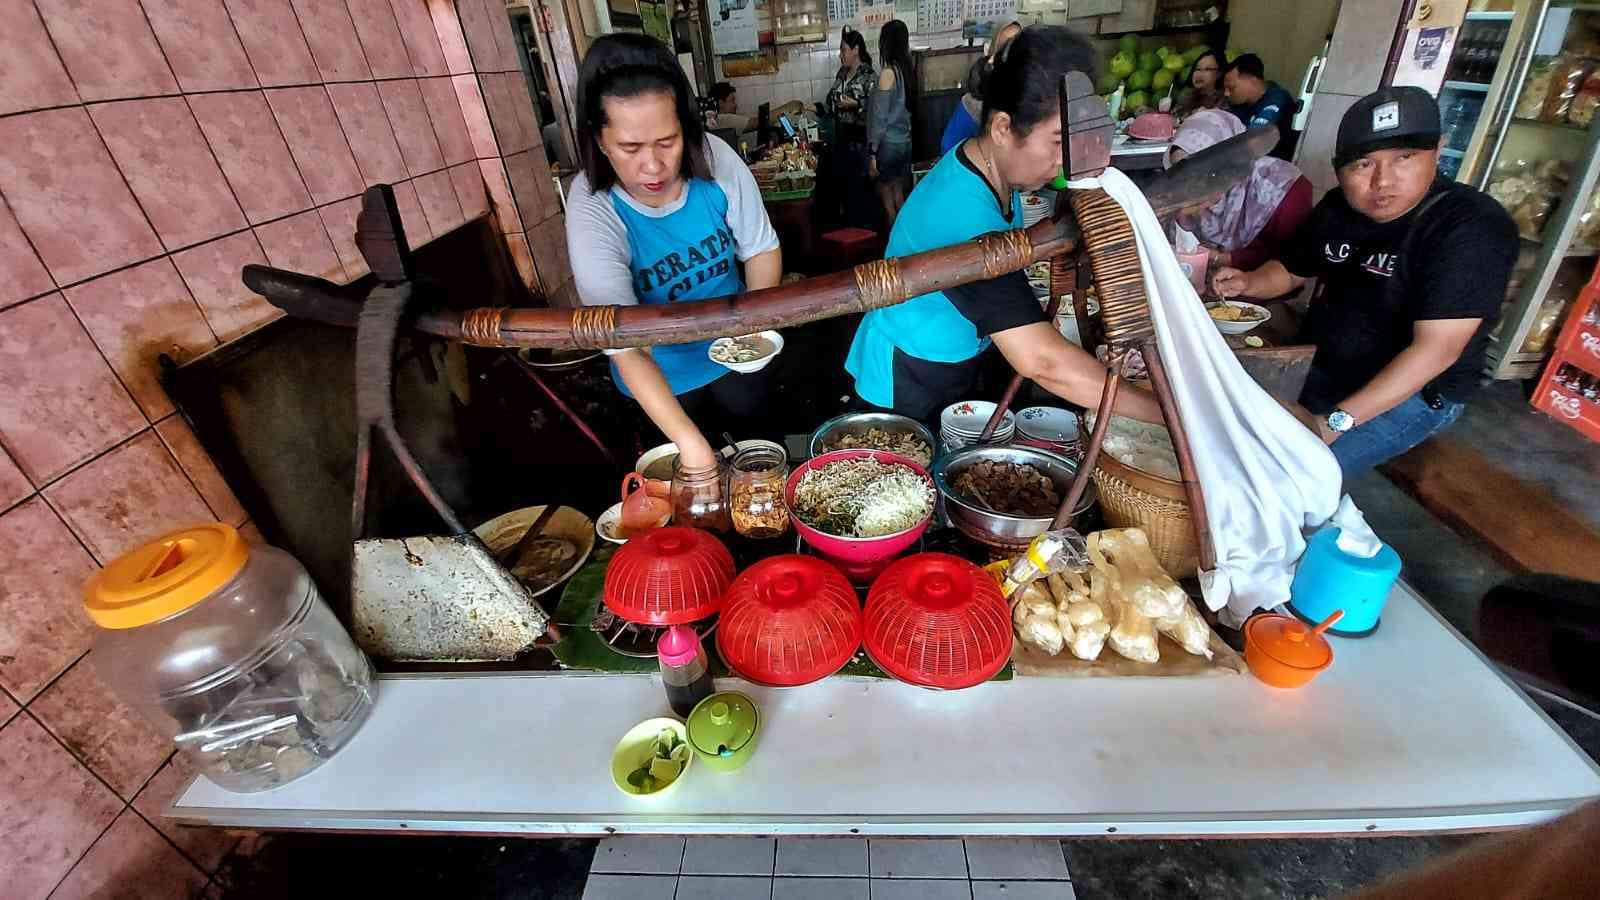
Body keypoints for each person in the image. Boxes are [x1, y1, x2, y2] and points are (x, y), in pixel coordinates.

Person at [845, 26, 1163, 425]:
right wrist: (1165, 413)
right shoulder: (960, 215)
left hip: (957, 352)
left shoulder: (991, 169)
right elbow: (1042, 360)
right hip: (910, 371)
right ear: (1001, 128)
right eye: (1054, 141)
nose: (1064, 161)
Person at [1211, 86, 1518, 479]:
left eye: (1404, 158)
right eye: (1363, 165)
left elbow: (1436, 352)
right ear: (1341, 170)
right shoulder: (1339, 207)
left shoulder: (1471, 227)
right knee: (1237, 439)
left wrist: (1335, 423)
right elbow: (1292, 269)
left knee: (1297, 478)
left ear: (1438, 153)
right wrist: (1248, 282)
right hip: (1328, 365)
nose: (1382, 182)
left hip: (1416, 393)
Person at [564, 34, 783, 472]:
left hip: (736, 361)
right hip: (659, 383)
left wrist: (751, 339)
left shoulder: (714, 158)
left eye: (668, 142)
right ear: (600, 140)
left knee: (765, 476)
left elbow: (760, 250)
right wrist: (691, 445)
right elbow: (624, 344)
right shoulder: (592, 206)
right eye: (630, 148)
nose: (652, 165)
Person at [1166, 109, 1312, 274]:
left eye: (1202, 174)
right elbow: (1179, 245)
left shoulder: (1283, 190)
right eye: (1181, 174)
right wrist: (1183, 218)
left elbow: (1293, 262)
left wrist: (1219, 259)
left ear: (1232, 160)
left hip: (1261, 289)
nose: (1191, 185)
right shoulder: (1181, 193)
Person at [822, 27, 877, 227]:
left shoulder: (868, 75)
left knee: (861, 191)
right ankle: (849, 229)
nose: (840, 55)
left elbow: (876, 108)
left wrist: (856, 105)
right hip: (841, 140)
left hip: (860, 142)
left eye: (843, 50)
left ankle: (865, 232)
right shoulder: (842, 73)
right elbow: (830, 97)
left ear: (856, 50)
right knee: (844, 188)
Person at [940, 21, 1023, 155]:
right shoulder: (975, 102)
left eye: (1019, 42)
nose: (1013, 50)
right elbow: (948, 147)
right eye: (1006, 45)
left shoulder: (1030, 89)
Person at [870, 20, 915, 226]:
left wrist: (872, 153)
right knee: (899, 194)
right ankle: (906, 243)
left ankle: (893, 250)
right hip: (905, 143)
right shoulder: (907, 71)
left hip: (888, 146)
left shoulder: (888, 74)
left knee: (887, 202)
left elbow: (879, 119)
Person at [1223, 53, 1295, 157]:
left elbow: (1253, 141)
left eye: (1231, 88)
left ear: (1251, 80)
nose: (1226, 94)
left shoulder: (1277, 99)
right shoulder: (1239, 105)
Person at [1175, 49, 1225, 116]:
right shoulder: (1186, 97)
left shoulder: (1224, 103)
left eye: (1207, 69)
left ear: (1219, 73)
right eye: (1197, 69)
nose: (1199, 74)